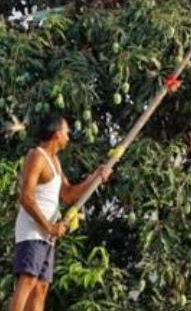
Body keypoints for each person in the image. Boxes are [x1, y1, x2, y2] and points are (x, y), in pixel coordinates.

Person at [8, 115, 112, 311]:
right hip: (33, 231)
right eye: (66, 133)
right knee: (28, 280)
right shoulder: (36, 156)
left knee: (41, 287)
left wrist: (95, 177)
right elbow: (26, 198)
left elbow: (68, 194)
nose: (68, 138)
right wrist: (49, 227)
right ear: (57, 135)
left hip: (47, 235)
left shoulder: (54, 161)